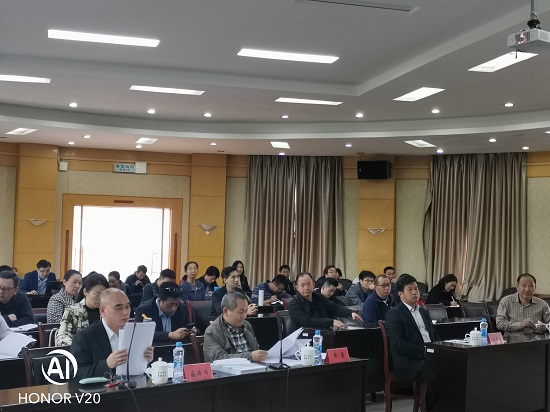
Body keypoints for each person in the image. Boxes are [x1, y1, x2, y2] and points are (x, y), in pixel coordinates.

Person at [71, 288, 154, 380]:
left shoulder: (135, 333)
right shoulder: (84, 337)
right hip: (101, 388)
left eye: (127, 307)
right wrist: (106, 364)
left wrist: (145, 361)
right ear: (102, 311)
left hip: (134, 385)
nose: (125, 312)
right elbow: (75, 374)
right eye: (119, 308)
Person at [385, 274, 439, 411]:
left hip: (429, 356)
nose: (415, 292)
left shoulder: (423, 312)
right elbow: (398, 345)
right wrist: (424, 351)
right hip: (408, 361)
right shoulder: (394, 314)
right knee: (435, 376)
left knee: (453, 369)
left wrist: (442, 348)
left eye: (416, 289)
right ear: (400, 294)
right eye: (410, 289)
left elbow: (434, 336)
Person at [203, 292, 268, 362]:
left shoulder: (247, 325)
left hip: (254, 367)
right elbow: (219, 358)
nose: (244, 316)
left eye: (246, 311)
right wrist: (250, 356)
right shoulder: (212, 332)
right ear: (226, 311)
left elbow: (256, 349)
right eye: (241, 312)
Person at [289, 272, 362, 332]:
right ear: (297, 288)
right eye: (302, 285)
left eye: (308, 284)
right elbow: (307, 321)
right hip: (303, 336)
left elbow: (335, 308)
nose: (306, 288)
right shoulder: (293, 304)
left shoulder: (319, 297)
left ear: (313, 285)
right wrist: (331, 322)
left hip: (323, 333)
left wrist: (351, 313)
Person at [56, 273, 109, 346]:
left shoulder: (108, 311)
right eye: (97, 295)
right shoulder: (72, 311)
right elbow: (62, 338)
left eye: (103, 295)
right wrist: (81, 346)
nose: (100, 299)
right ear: (85, 292)